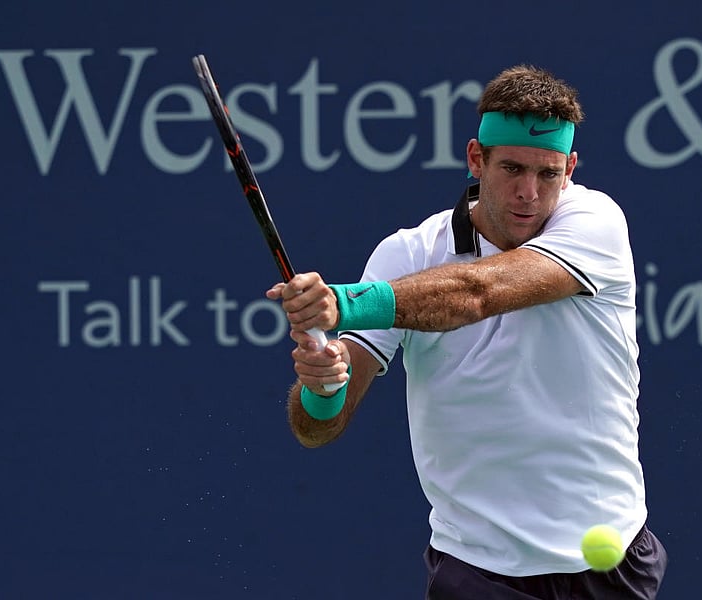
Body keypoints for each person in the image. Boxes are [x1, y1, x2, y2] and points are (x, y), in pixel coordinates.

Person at [266, 65, 667, 599]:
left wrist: (344, 302)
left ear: (570, 169)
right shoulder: (407, 254)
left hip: (610, 561)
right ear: (476, 159)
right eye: (512, 169)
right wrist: (322, 387)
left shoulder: (596, 222)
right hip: (477, 571)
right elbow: (320, 427)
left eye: (548, 174)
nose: (529, 193)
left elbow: (478, 293)